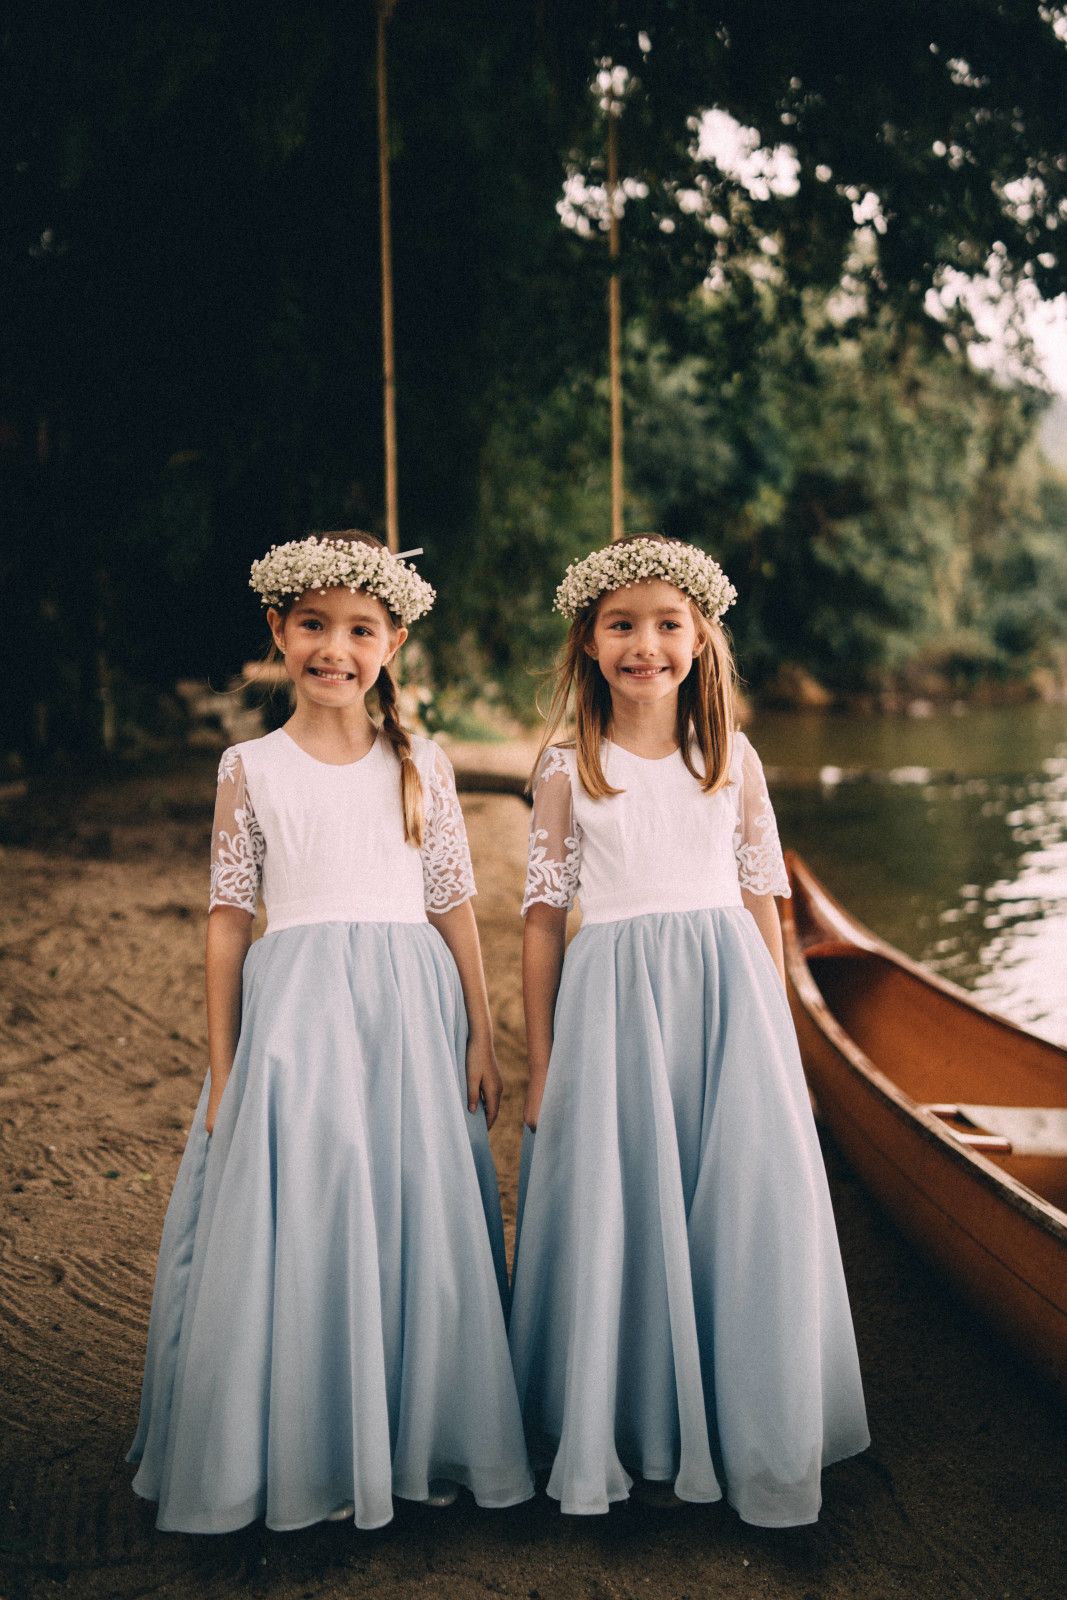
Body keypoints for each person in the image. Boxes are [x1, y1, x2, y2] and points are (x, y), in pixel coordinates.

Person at [128, 532, 533, 1533]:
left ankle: (414, 1436)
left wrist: (480, 1036)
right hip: (296, 1018)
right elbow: (227, 925)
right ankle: (296, 1443)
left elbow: (451, 908)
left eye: (359, 629)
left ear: (391, 641)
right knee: (304, 1212)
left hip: (408, 1013)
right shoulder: (248, 766)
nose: (333, 649)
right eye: (313, 625)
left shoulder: (419, 763)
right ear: (278, 630)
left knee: (411, 1213)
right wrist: (225, 1072)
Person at [509, 533, 869, 1527]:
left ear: (701, 635)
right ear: (588, 638)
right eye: (622, 625)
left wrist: (783, 1047)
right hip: (611, 1005)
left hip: (725, 1006)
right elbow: (540, 925)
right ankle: (632, 1422)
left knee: (735, 1205)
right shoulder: (564, 768)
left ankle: (742, 1412)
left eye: (668, 623)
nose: (645, 644)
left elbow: (763, 907)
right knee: (622, 1205)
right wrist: (541, 1064)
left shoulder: (730, 758)